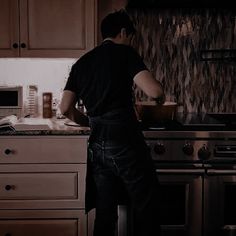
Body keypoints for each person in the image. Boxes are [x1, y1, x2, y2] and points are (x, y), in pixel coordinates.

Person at [60, 9, 165, 236]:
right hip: (126, 142)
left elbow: (65, 108)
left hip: (98, 145)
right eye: (130, 37)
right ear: (124, 32)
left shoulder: (82, 63)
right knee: (146, 207)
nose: (129, 41)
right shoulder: (125, 53)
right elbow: (154, 92)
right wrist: (161, 98)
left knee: (105, 214)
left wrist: (90, 121)